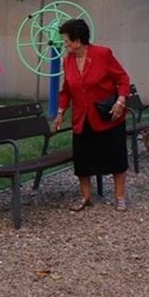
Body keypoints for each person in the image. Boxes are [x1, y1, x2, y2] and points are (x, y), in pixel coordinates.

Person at [50, 19, 132, 212]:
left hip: (107, 115)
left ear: (78, 41)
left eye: (67, 41)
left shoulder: (102, 54)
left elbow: (123, 79)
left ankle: (120, 197)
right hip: (82, 117)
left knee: (116, 157)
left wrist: (120, 101)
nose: (65, 44)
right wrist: (61, 112)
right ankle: (86, 196)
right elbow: (67, 90)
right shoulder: (68, 60)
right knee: (83, 160)